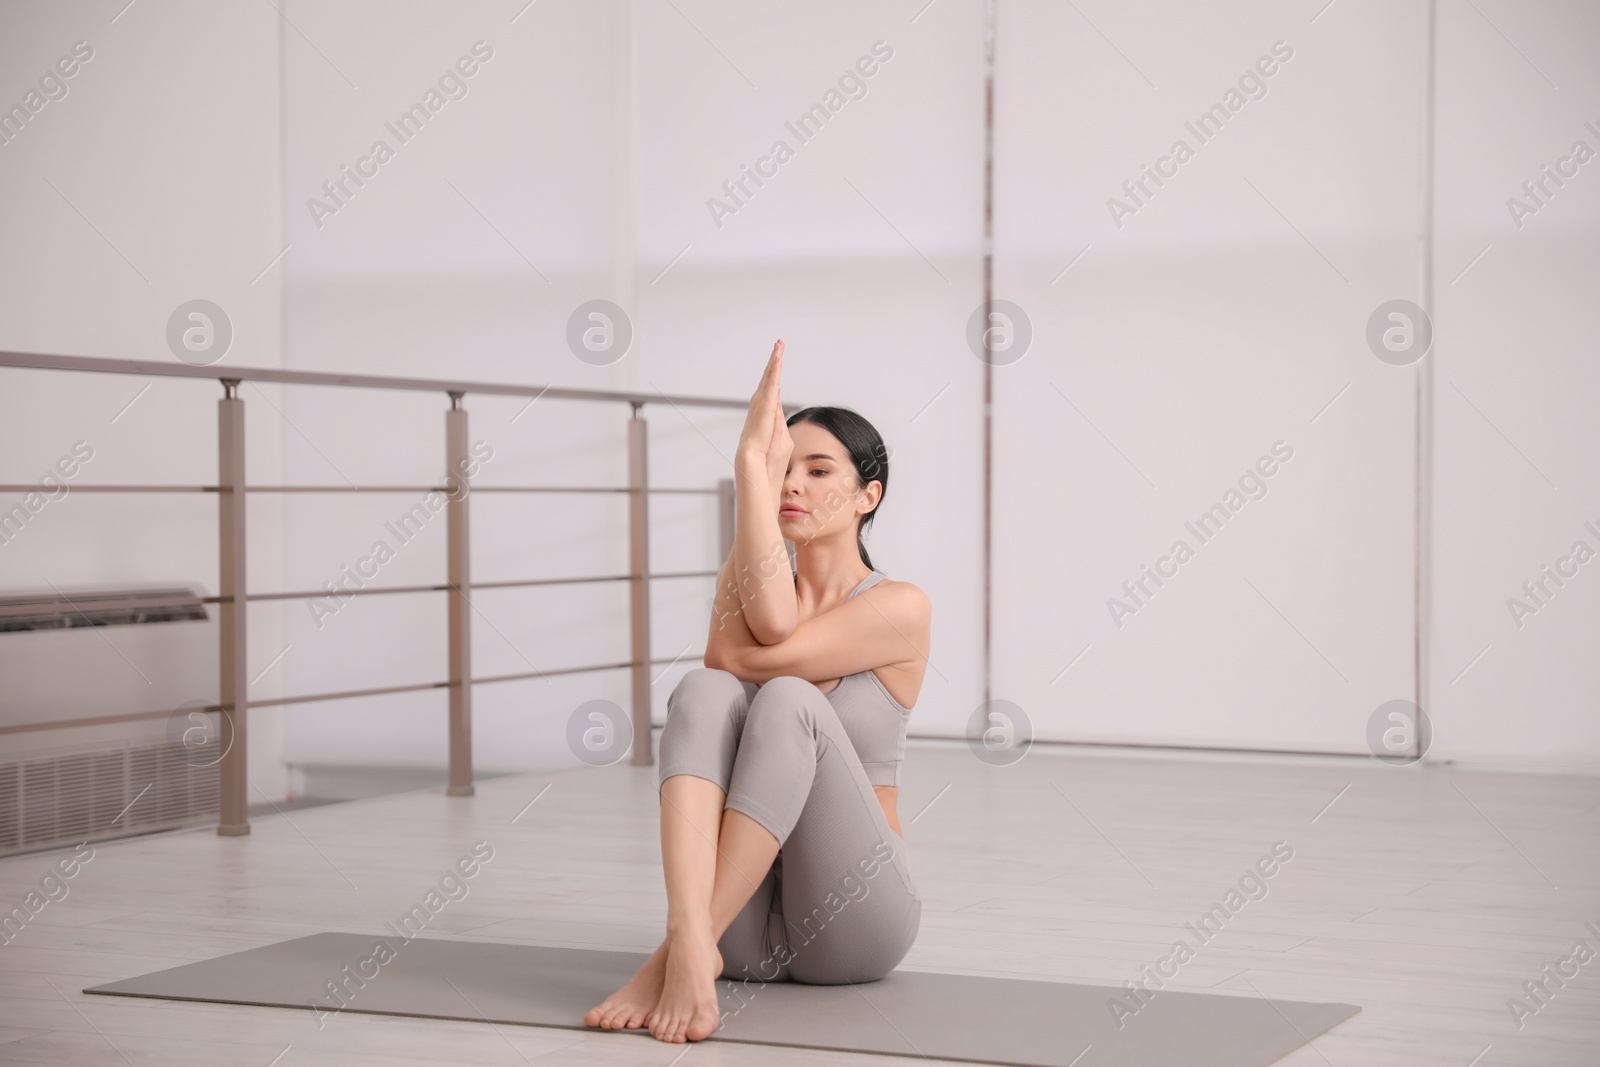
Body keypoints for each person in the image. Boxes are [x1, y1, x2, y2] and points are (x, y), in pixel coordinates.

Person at [583, 339, 932, 1043]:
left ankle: (671, 957)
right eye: (781, 467)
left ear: (870, 496)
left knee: (786, 697)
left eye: (817, 468)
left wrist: (750, 467)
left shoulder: (901, 606)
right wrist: (749, 469)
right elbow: (737, 650)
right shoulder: (743, 578)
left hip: (858, 916)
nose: (791, 484)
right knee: (704, 690)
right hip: (741, 932)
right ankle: (692, 937)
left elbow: (758, 644)